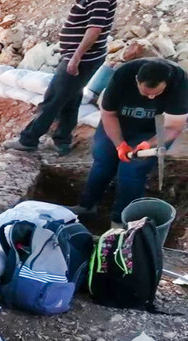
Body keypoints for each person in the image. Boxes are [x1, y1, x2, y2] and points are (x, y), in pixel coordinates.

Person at [75, 59, 188, 226]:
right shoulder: (122, 75)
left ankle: (121, 221)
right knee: (103, 158)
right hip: (119, 121)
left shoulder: (181, 84)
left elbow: (172, 127)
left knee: (133, 169)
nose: (151, 97)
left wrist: (149, 144)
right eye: (146, 93)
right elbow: (108, 114)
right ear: (137, 80)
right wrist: (119, 143)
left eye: (156, 93)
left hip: (153, 130)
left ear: (167, 83)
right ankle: (86, 206)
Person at [3, 0, 117, 155]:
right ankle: (62, 140)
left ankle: (28, 140)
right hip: (81, 57)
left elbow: (95, 30)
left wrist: (76, 58)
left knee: (53, 98)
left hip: (82, 59)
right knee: (71, 99)